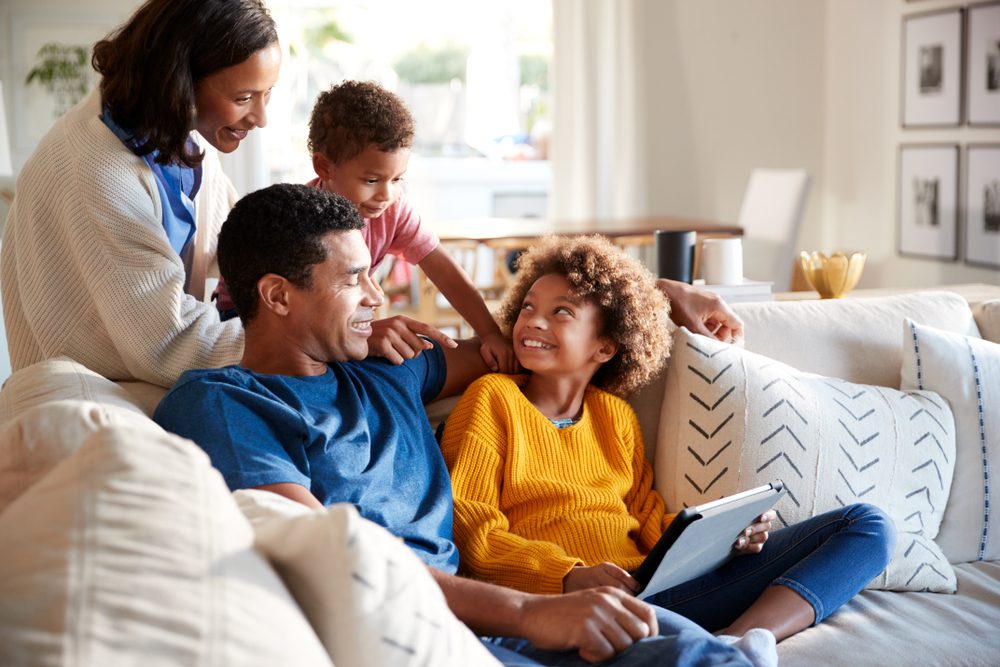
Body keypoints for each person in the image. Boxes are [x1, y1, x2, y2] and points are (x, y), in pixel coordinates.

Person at [153, 183, 752, 667]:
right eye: (351, 279)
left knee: (708, 655)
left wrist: (664, 292)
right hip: (415, 630)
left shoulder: (390, 373)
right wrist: (524, 611)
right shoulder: (225, 403)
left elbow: (537, 338)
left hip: (492, 617)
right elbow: (330, 555)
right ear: (277, 296)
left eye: (372, 273)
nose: (375, 295)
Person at [439, 235, 896, 662]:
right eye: (528, 308)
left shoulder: (615, 417)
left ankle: (739, 640)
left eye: (561, 312)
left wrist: (721, 543)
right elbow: (472, 531)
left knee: (866, 526)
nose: (533, 321)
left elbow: (647, 521)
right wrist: (568, 575)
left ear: (605, 347)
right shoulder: (492, 399)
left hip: (653, 589)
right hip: (571, 606)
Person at [1, 0, 279, 387]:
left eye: (267, 94)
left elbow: (233, 240)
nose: (261, 118)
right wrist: (306, 339)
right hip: (94, 399)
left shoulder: (177, 136)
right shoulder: (98, 171)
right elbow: (167, 340)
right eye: (244, 98)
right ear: (181, 81)